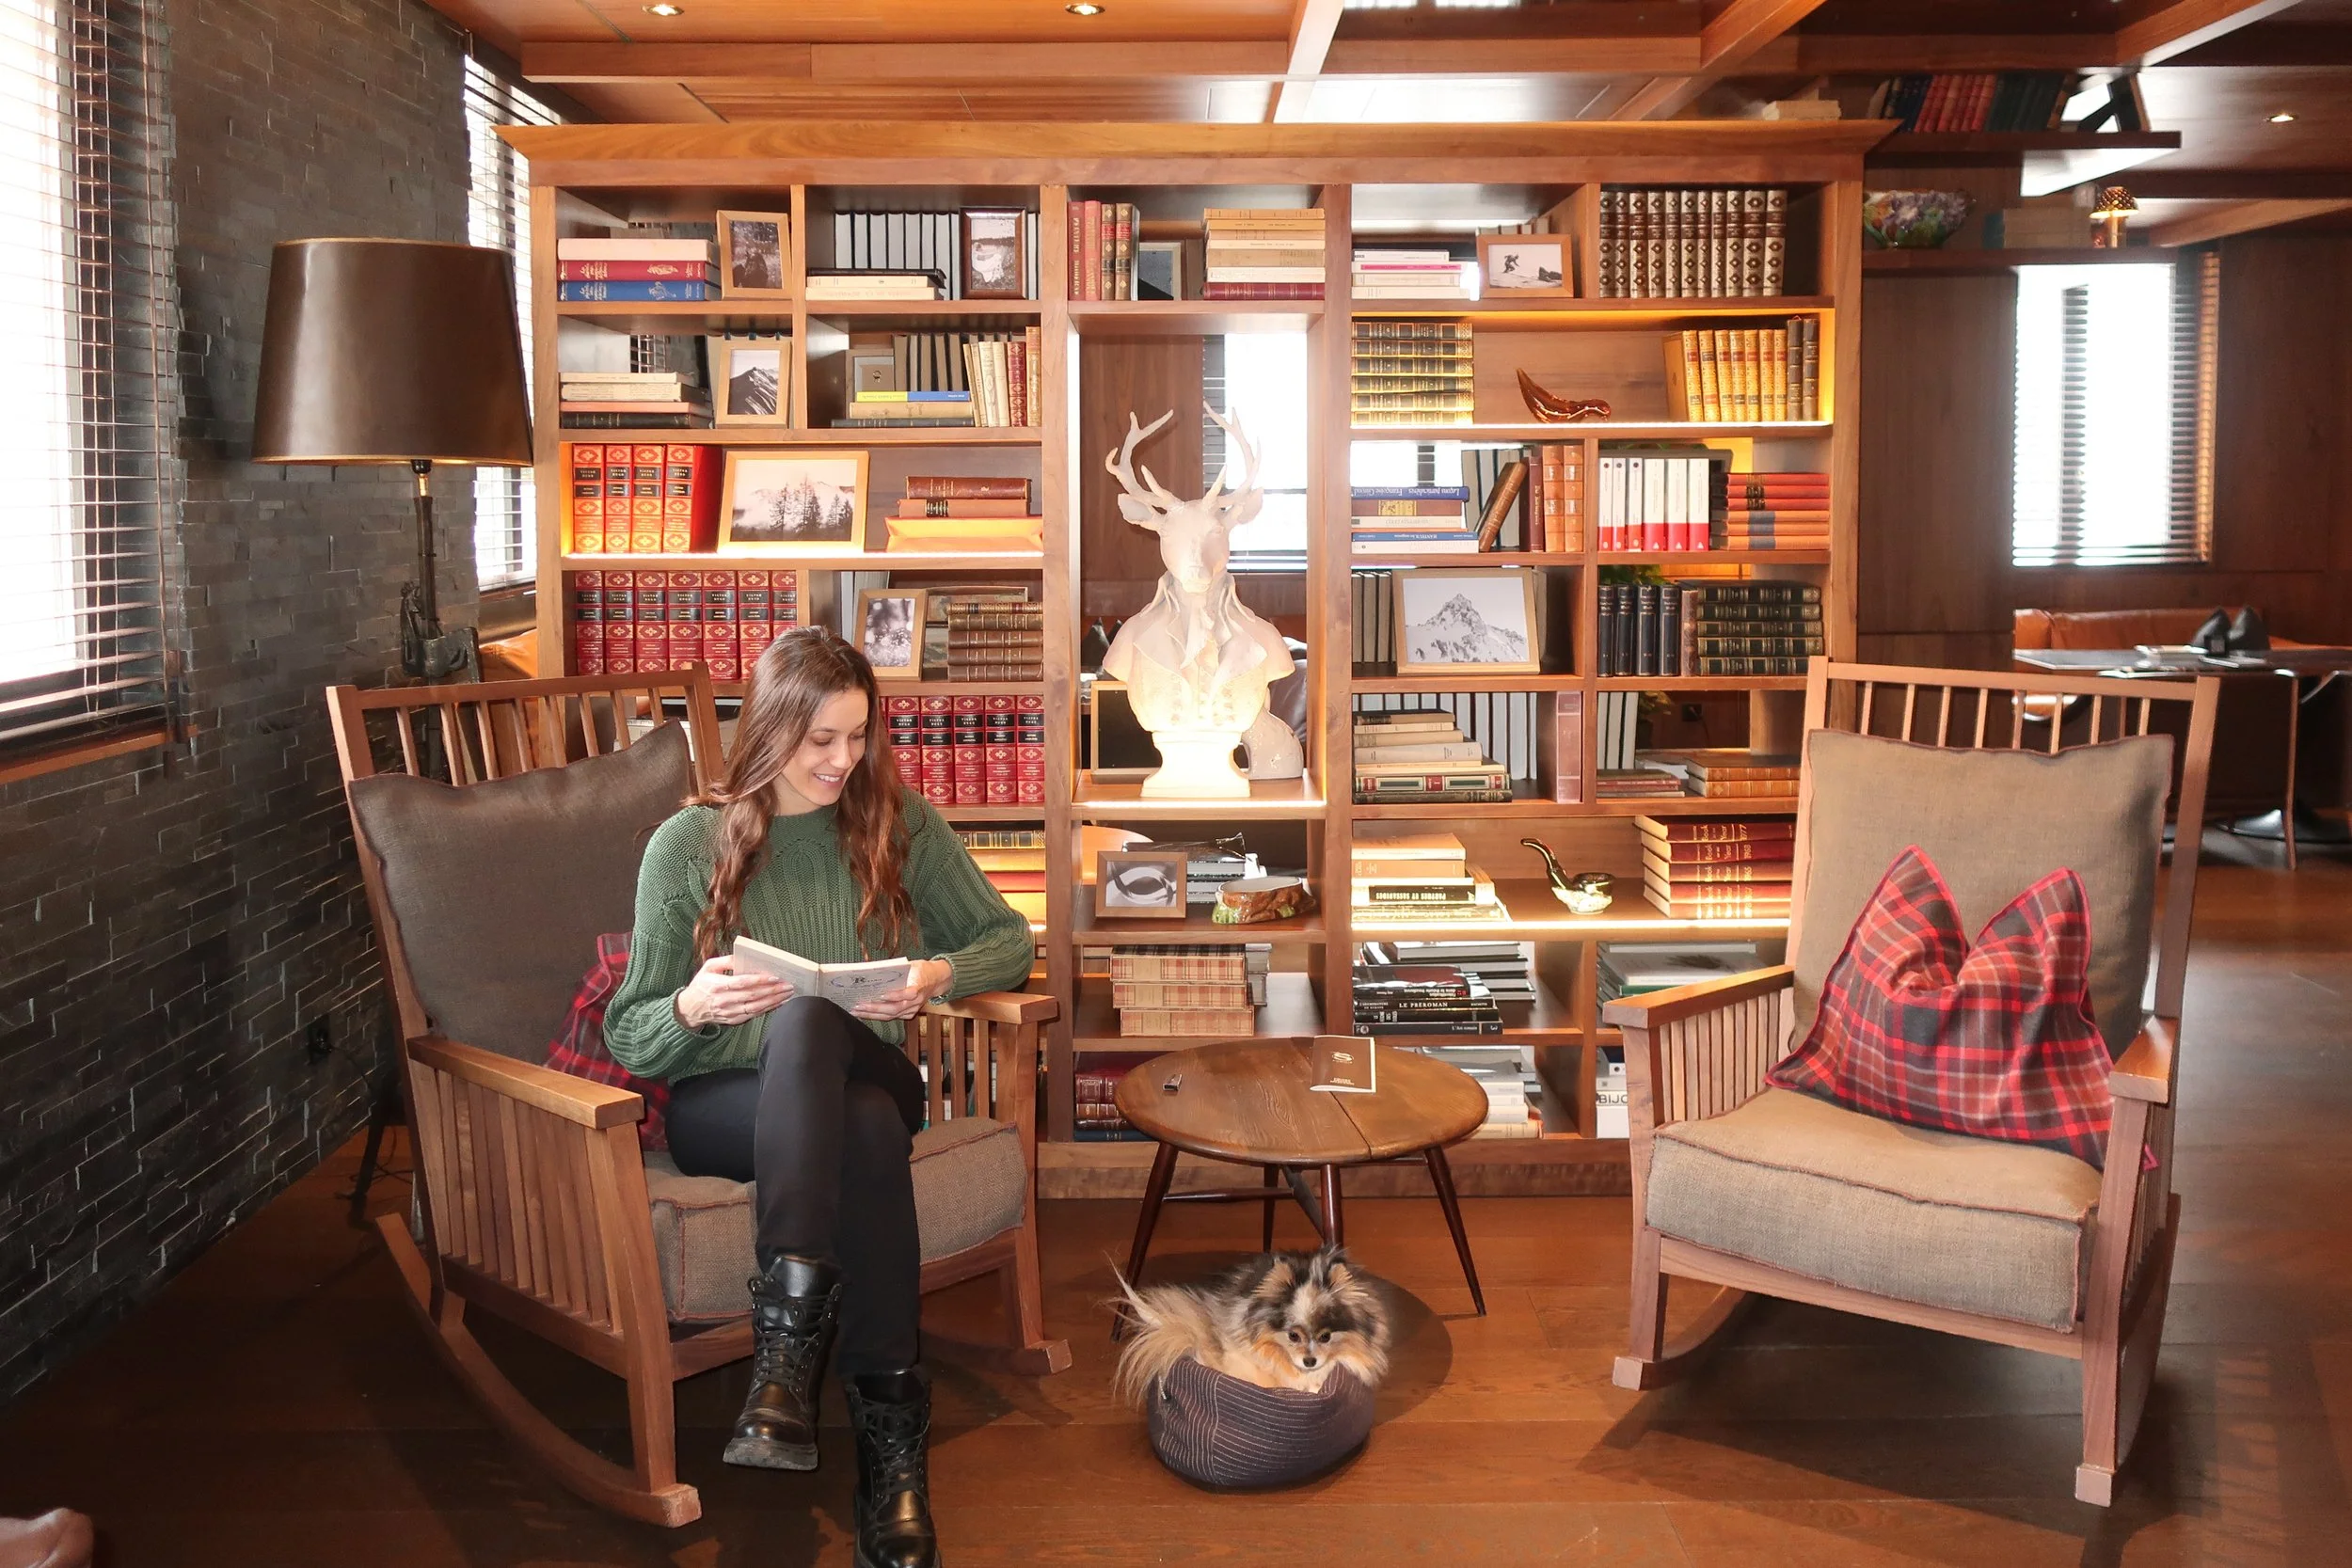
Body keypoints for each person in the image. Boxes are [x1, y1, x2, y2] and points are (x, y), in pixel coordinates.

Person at [604, 626, 1032, 1568]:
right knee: (864, 1130)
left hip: (871, 1066)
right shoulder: (686, 844)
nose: (842, 759)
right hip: (728, 1103)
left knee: (814, 1030)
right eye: (820, 739)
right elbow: (629, 1030)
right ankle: (892, 1452)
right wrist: (691, 1004)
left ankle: (786, 1357)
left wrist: (932, 974)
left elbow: (1009, 939)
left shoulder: (896, 823)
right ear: (769, 730)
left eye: (858, 735)